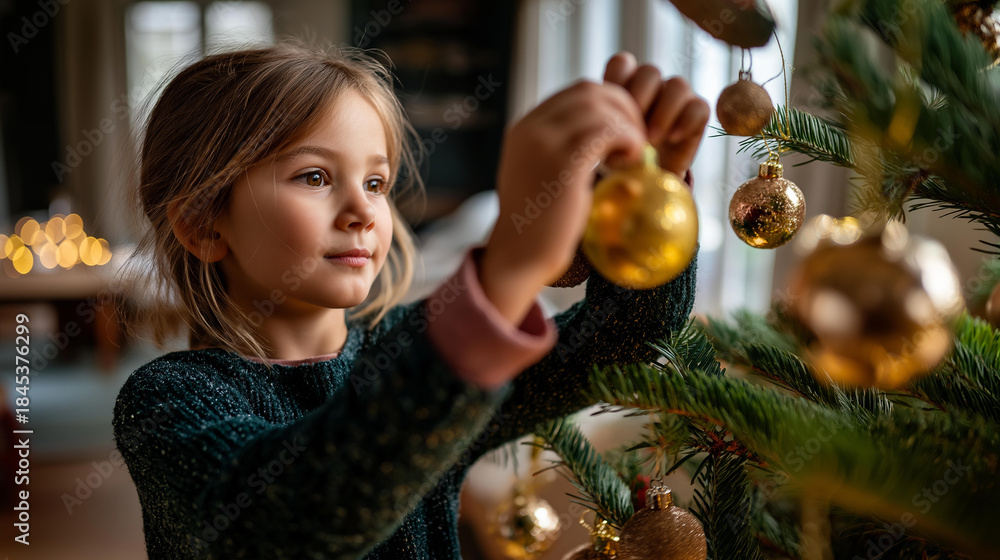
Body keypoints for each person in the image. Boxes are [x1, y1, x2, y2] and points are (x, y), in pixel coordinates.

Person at [112, 41, 709, 559]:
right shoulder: (166, 402)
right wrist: (505, 270)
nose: (363, 212)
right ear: (203, 224)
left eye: (375, 182)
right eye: (315, 177)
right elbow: (289, 525)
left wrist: (647, 198)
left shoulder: (405, 348)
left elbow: (626, 337)